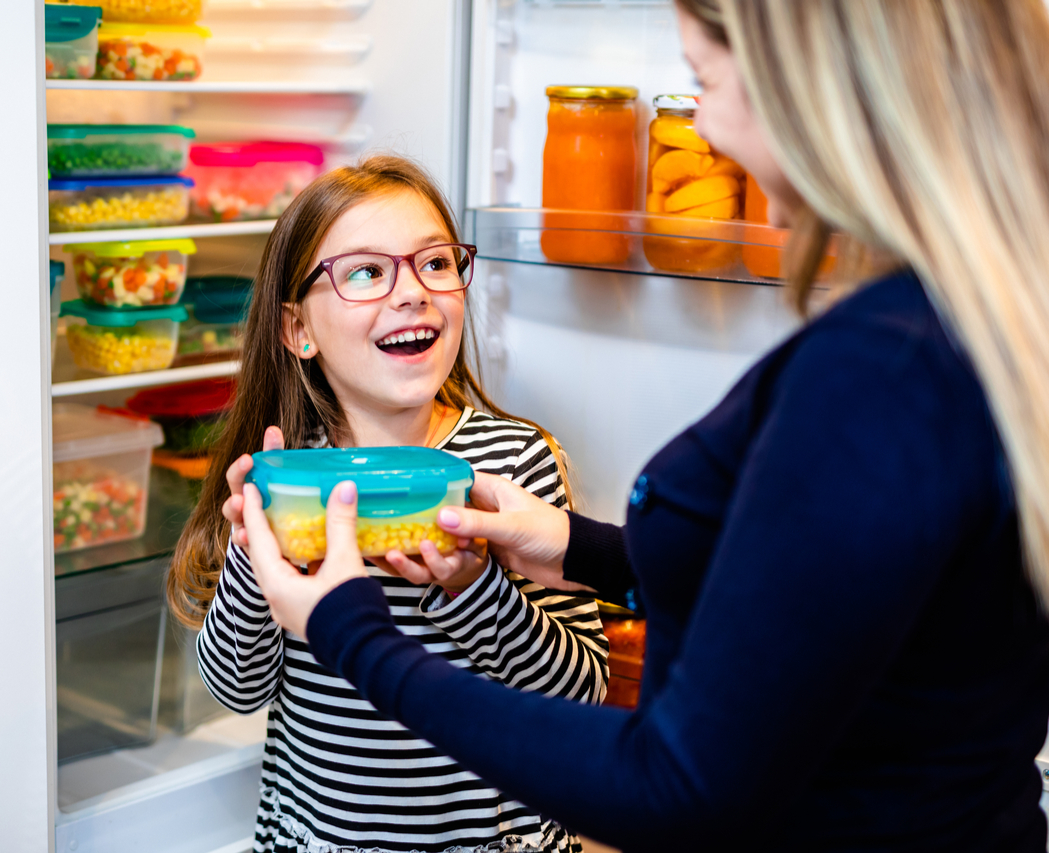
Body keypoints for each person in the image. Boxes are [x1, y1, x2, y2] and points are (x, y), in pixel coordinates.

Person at [232, 1, 1049, 850]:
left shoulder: (883, 369)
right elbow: (807, 594)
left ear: (807, 90)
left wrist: (352, 629)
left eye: (706, 82)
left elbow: (677, 784)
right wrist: (579, 548)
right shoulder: (956, 333)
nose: (707, 132)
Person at [167, 156, 608, 853]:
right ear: (298, 329)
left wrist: (475, 587)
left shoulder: (512, 465)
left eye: (435, 263)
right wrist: (257, 556)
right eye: (368, 272)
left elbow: (581, 692)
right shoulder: (288, 479)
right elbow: (236, 687)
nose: (413, 293)